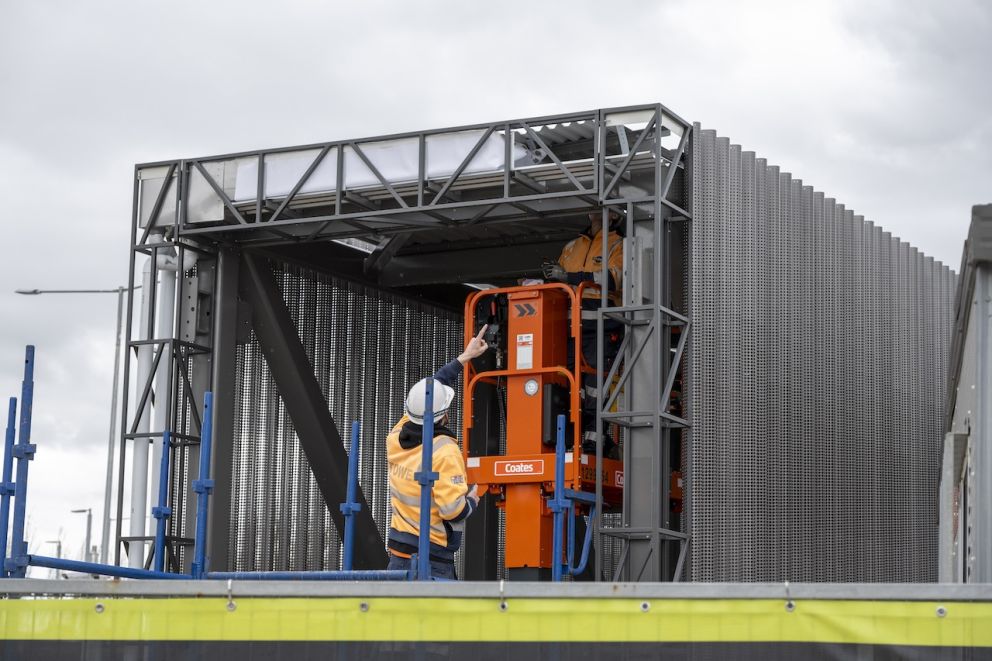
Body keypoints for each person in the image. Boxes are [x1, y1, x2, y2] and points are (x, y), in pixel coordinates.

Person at [385, 326, 490, 579]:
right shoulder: (445, 451)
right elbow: (454, 511)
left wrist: (465, 357)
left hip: (398, 555)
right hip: (432, 560)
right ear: (444, 414)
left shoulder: (396, 436)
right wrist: (475, 497)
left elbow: (430, 392)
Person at [542, 209, 624, 456]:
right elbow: (558, 284)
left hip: (602, 325)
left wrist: (569, 276)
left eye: (604, 211)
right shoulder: (571, 247)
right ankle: (568, 439)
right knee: (566, 383)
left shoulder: (620, 245)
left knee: (595, 385)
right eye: (593, 211)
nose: (597, 214)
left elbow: (613, 279)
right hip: (568, 328)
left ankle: (594, 441)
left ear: (614, 216)